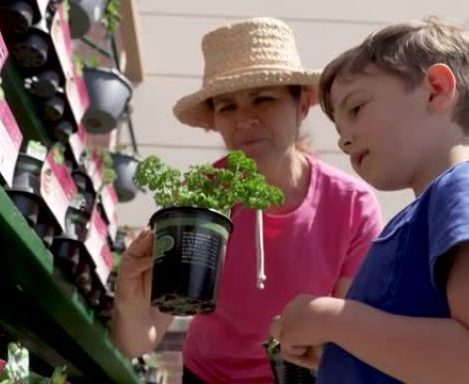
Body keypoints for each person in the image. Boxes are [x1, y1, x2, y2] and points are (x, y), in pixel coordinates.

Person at [270, 16, 469, 383]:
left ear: (435, 89)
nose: (344, 141)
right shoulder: (419, 217)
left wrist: (333, 320)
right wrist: (343, 349)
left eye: (356, 109)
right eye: (339, 129)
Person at [111, 17, 383, 383]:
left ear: (302, 104)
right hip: (207, 375)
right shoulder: (201, 198)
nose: (244, 119)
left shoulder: (352, 205)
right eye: (227, 107)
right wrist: (129, 300)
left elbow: (347, 329)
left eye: (263, 98)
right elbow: (139, 341)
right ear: (213, 121)